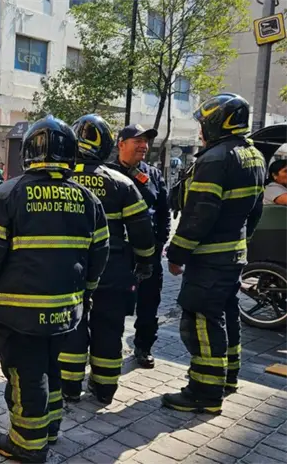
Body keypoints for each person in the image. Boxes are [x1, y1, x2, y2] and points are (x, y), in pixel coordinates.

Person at [0, 116, 109, 463]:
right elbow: (99, 254)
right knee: (50, 367)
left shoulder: (5, 195)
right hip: (64, 309)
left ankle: (28, 444)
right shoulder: (88, 200)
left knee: (24, 374)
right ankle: (50, 427)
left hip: (17, 313)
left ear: (28, 153)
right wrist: (86, 292)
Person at [163, 93, 266, 413]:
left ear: (215, 122)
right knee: (227, 314)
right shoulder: (254, 156)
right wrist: (241, 241)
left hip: (209, 258)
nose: (200, 131)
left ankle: (204, 392)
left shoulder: (215, 159)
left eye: (202, 124)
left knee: (201, 320)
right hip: (233, 254)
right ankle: (228, 376)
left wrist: (177, 253)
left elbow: (198, 215)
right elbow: (255, 210)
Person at [59, 115, 155, 405]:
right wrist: (146, 262)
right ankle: (104, 389)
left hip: (70, 268)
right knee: (109, 327)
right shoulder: (122, 182)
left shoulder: (61, 178)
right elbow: (142, 230)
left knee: (72, 325)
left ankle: (70, 387)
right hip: (112, 268)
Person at [109, 124, 171, 368]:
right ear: (121, 144)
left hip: (148, 254)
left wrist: (159, 242)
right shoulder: (107, 173)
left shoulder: (153, 175)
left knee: (149, 303)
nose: (143, 146)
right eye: (138, 141)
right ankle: (108, 347)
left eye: (146, 142)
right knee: (111, 304)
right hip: (116, 255)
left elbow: (165, 212)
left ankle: (143, 347)